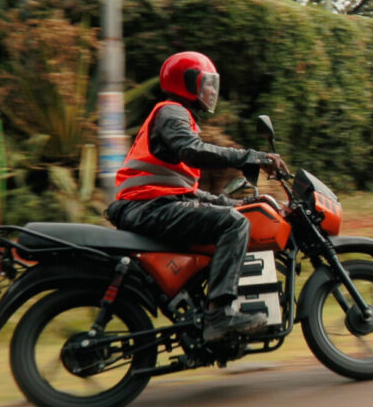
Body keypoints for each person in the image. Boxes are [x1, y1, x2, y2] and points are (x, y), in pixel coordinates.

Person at [106, 51, 289, 342]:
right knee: (233, 224)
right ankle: (220, 314)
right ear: (188, 83)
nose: (213, 91)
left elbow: (186, 191)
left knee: (232, 215)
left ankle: (204, 309)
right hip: (148, 206)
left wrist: (236, 203)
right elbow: (193, 151)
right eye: (207, 83)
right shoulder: (172, 112)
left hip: (153, 204)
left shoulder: (177, 117)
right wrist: (251, 157)